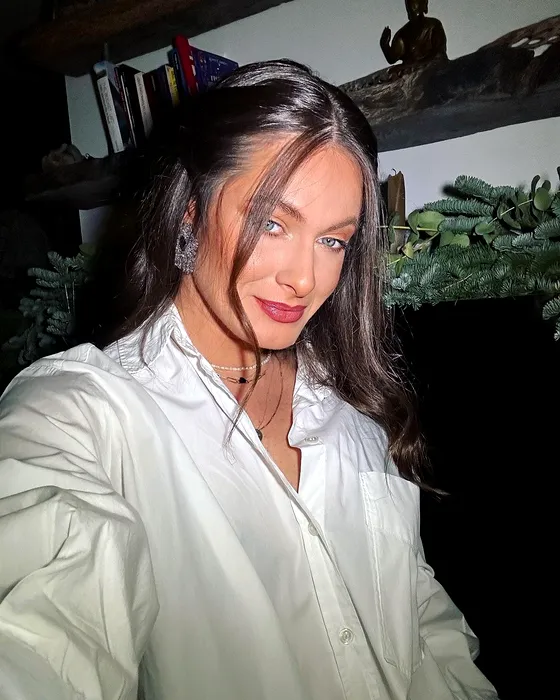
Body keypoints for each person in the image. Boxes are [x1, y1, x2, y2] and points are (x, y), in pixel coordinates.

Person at [0, 59, 497, 700]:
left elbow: (426, 631)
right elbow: (44, 634)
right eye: (271, 222)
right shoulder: (77, 415)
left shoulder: (353, 419)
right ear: (190, 212)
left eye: (333, 241)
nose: (304, 278)